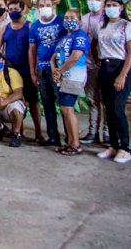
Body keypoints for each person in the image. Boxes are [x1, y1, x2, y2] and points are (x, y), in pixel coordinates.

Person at [94, 0, 131, 164]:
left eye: (114, 5)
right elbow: (95, 45)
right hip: (105, 67)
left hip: (120, 67)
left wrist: (123, 74)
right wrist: (99, 61)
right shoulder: (101, 26)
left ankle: (124, 148)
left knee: (118, 109)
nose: (110, 8)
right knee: (109, 109)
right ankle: (113, 145)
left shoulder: (127, 26)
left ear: (121, 8)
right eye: (108, 5)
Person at [0, 0, 41, 141]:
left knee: (32, 101)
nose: (12, 12)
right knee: (14, 100)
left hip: (27, 69)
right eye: (10, 10)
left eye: (15, 9)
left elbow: (36, 51)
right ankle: (18, 131)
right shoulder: (5, 28)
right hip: (10, 69)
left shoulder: (30, 27)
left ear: (23, 10)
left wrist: (35, 71)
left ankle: (38, 133)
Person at [28, 0, 65, 146]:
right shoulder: (35, 26)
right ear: (37, 8)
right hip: (42, 70)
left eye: (48, 4)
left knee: (63, 104)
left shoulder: (61, 22)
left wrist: (63, 69)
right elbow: (32, 51)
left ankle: (70, 136)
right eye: (42, 5)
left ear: (53, 6)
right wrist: (33, 72)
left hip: (58, 71)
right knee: (47, 104)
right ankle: (53, 136)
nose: (45, 7)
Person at [52, 9, 89, 156]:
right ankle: (70, 142)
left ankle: (75, 144)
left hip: (73, 77)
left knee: (68, 110)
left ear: (79, 20)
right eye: (66, 17)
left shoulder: (80, 36)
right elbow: (54, 57)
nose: (69, 20)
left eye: (72, 17)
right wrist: (55, 70)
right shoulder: (64, 37)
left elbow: (75, 56)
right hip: (62, 77)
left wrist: (59, 71)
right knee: (64, 110)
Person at [79, 0, 106, 143]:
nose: (94, 2)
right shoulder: (83, 19)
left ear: (103, 1)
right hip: (88, 65)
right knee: (92, 100)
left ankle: (107, 132)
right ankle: (92, 131)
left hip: (105, 66)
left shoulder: (107, 19)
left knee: (106, 101)